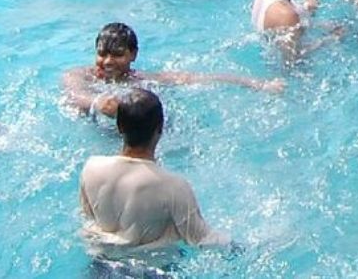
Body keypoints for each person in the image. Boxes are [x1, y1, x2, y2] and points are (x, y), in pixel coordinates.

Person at [78, 89, 226, 251]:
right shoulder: (173, 186)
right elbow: (202, 239)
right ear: (160, 127)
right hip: (147, 269)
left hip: (99, 264)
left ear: (119, 126)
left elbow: (89, 219)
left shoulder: (91, 168)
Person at [61, 22, 280, 120]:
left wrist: (258, 84)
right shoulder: (79, 75)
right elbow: (74, 93)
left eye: (117, 55)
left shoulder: (141, 81)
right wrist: (98, 102)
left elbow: (195, 78)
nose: (107, 61)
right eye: (102, 54)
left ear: (133, 55)